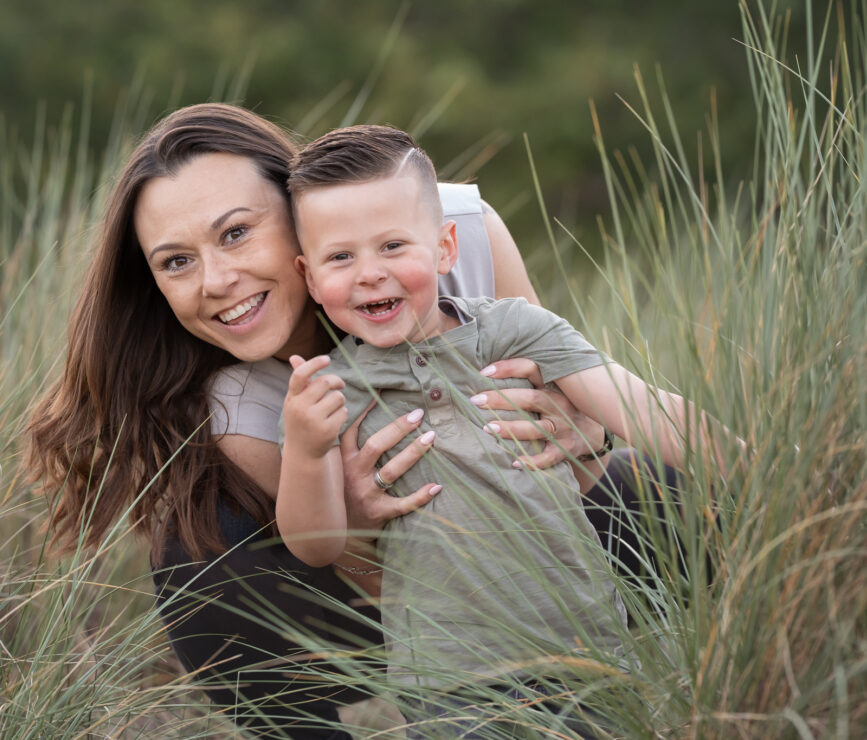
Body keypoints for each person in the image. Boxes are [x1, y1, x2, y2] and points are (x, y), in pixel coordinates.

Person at [25, 103, 677, 739]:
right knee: (195, 551)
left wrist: (582, 433)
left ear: (298, 208)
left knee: (658, 483)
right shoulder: (239, 401)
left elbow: (564, 400)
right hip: (387, 598)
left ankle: (722, 668)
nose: (216, 279)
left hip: (532, 530)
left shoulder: (459, 228)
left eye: (235, 232)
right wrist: (361, 522)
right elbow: (368, 571)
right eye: (176, 261)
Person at [277, 124, 740, 735]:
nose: (369, 273)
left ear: (445, 248)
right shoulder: (331, 388)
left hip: (584, 646)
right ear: (310, 278)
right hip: (446, 675)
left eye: (393, 246)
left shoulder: (517, 332)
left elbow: (642, 408)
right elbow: (315, 545)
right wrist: (308, 450)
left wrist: (765, 464)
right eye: (341, 257)